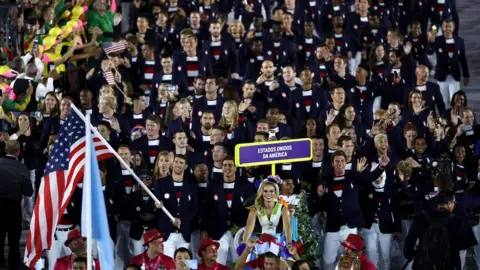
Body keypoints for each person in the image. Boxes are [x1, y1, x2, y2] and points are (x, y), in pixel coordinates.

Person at [404, 191, 475, 269]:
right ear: (450, 203)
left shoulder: (420, 218)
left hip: (423, 264)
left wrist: (413, 255)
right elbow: (459, 247)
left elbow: (409, 243)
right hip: (447, 265)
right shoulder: (456, 221)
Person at [0, 140, 33, 269]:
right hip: (14, 208)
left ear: (5, 150)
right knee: (14, 240)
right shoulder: (22, 168)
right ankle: (13, 263)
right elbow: (29, 192)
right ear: (18, 152)